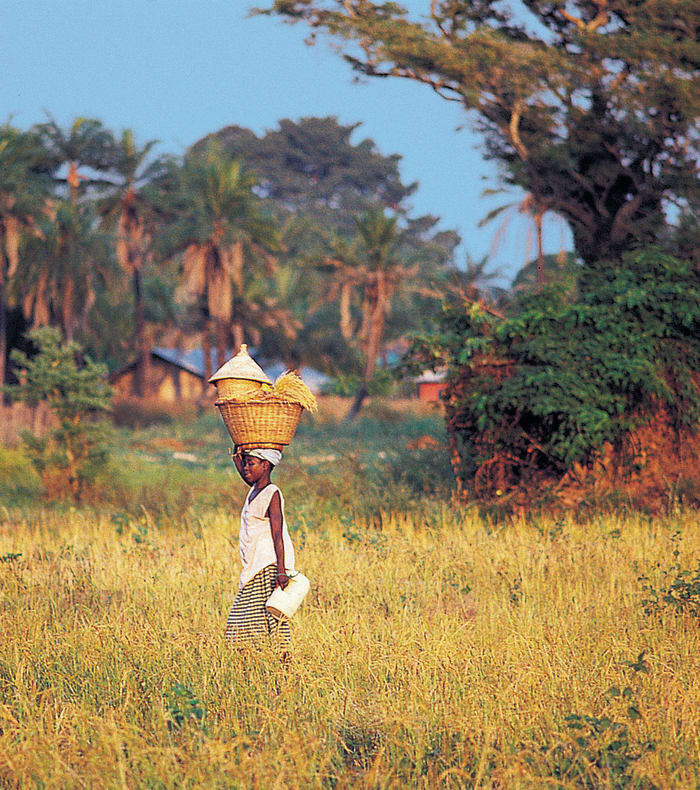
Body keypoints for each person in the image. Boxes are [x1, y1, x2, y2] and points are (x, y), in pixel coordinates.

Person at [225, 447, 295, 647]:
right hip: (254, 564)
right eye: (245, 463)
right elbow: (246, 474)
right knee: (267, 619)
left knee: (250, 621)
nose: (246, 468)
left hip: (266, 566)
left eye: (251, 463)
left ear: (265, 465)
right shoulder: (255, 490)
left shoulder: (272, 494)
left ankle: (280, 657)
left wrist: (281, 571)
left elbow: (278, 535)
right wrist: (237, 456)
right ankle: (270, 657)